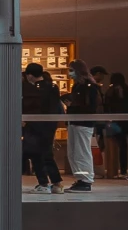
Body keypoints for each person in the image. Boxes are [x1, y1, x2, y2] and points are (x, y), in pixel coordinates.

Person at [24, 64, 64, 193]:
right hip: (50, 125)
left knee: (36, 154)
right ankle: (57, 183)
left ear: (30, 75)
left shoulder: (30, 89)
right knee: (47, 154)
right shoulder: (52, 87)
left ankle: (43, 183)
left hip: (34, 126)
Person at [64, 59, 101, 192]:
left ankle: (86, 180)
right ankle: (80, 178)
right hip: (74, 122)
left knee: (82, 152)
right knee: (73, 152)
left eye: (72, 70)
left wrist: (72, 107)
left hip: (83, 123)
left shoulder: (89, 86)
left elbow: (90, 107)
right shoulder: (78, 86)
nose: (70, 73)